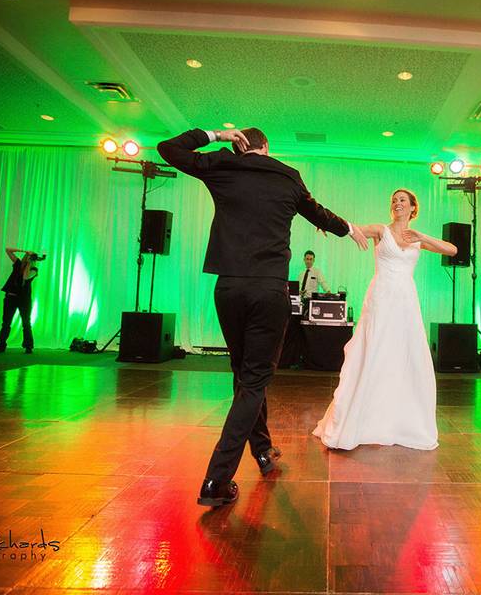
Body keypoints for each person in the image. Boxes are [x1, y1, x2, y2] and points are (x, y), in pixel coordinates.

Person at [157, 125, 367, 507]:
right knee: (253, 381)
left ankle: (264, 450)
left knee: (244, 375)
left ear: (242, 145)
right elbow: (317, 212)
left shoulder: (223, 164)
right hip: (268, 289)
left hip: (229, 288)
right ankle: (216, 480)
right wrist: (348, 228)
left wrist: (216, 135)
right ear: (267, 147)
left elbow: (167, 149)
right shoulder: (287, 176)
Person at [313, 188, 457, 451]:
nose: (397, 203)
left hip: (406, 301)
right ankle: (363, 418)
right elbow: (353, 228)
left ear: (413, 207)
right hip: (381, 296)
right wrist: (325, 223)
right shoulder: (382, 230)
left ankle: (398, 418)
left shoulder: (417, 239)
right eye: (394, 200)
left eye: (403, 200)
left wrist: (422, 236)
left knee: (403, 354)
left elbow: (452, 249)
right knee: (375, 350)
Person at [0, 248, 39, 354]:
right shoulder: (18, 263)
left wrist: (29, 264)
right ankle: (0, 346)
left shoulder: (34, 270)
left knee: (26, 323)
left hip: (24, 300)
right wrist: (24, 251)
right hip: (10, 298)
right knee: (6, 323)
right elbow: (7, 250)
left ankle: (28, 346)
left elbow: (26, 276)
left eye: (31, 258)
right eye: (28, 257)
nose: (28, 259)